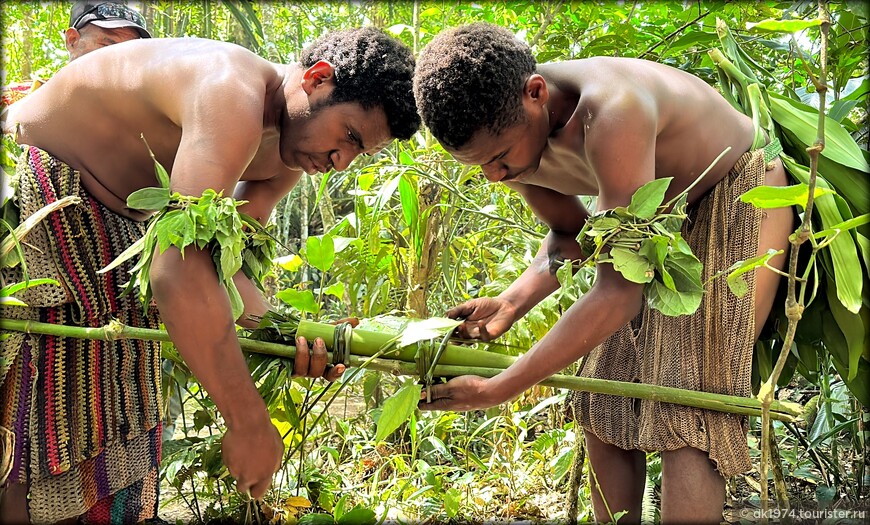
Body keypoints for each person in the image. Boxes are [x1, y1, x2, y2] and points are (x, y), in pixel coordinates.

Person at [1, 27, 419, 523]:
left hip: (117, 230)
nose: (339, 162)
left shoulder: (286, 158)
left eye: (359, 153)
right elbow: (179, 273)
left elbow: (224, 269)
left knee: (104, 414)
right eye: (348, 135)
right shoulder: (231, 90)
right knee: (34, 416)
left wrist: (291, 338)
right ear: (317, 79)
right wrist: (247, 420)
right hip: (35, 196)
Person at [414, 23, 793, 524]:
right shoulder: (511, 140)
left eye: (499, 159)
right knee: (603, 395)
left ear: (535, 94)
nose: (495, 176)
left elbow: (618, 294)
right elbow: (570, 236)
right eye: (480, 166)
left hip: (737, 196)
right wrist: (512, 301)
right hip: (651, 224)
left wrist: (501, 387)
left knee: (693, 401)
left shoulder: (614, 110)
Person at [1, 1, 149, 117]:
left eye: (130, 52)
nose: (120, 61)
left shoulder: (138, 116)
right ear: (72, 40)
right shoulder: (14, 99)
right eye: (108, 47)